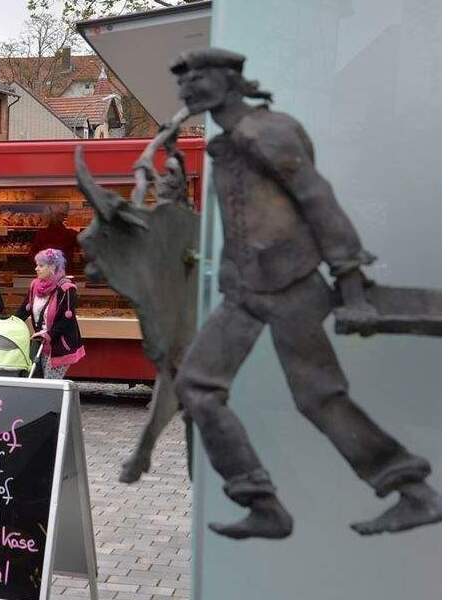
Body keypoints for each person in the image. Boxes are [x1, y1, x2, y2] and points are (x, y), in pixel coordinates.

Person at [168, 47, 439, 539]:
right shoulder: (228, 142)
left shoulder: (268, 132)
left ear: (228, 80)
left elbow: (318, 200)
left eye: (198, 76)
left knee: (318, 397)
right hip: (246, 290)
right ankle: (263, 505)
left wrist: (351, 284)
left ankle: (413, 491)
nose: (185, 87)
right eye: (182, 79)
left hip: (291, 285)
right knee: (198, 387)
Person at [15, 248, 85, 378]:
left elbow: (66, 321)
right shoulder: (35, 285)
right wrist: (10, 323)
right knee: (37, 380)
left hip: (59, 344)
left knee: (50, 382)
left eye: (41, 266)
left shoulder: (66, 289)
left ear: (52, 267)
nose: (36, 269)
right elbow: (25, 309)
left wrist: (48, 335)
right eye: (37, 265)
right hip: (41, 343)